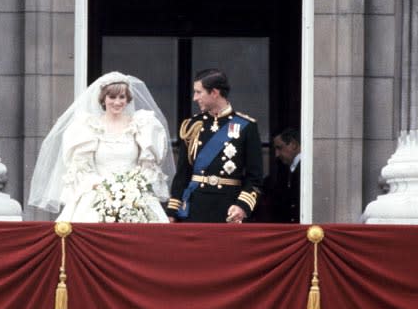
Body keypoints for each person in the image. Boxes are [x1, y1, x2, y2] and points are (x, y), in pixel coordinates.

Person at [27, 71, 175, 222]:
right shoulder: (88, 127)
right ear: (103, 99)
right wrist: (105, 189)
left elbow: (147, 167)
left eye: (122, 97)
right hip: (97, 193)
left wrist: (132, 189)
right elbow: (82, 168)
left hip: (135, 195)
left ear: (128, 99)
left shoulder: (142, 125)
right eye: (112, 97)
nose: (117, 102)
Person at [166, 69, 263, 223]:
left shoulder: (246, 126)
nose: (194, 98)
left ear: (215, 92)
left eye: (199, 92)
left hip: (229, 209)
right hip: (195, 209)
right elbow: (182, 174)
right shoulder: (193, 125)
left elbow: (255, 178)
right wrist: (173, 211)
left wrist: (242, 206)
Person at [256, 128, 301, 223]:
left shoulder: (305, 169)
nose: (276, 154)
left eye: (279, 148)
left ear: (293, 144)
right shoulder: (286, 167)